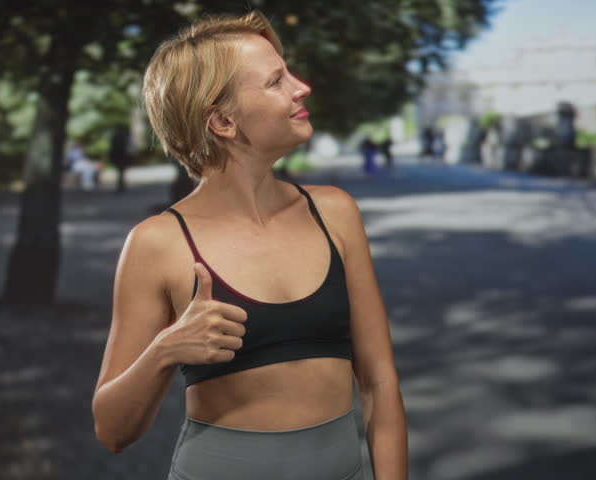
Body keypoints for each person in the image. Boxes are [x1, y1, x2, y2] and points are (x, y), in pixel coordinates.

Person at [91, 11, 408, 480]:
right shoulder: (157, 243)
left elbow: (380, 384)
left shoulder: (335, 213)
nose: (302, 88)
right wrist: (166, 350)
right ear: (222, 120)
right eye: (276, 81)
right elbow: (112, 430)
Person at [109, 124, 133, 193]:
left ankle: (121, 185)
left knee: (120, 172)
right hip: (121, 156)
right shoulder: (123, 137)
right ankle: (121, 185)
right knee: (121, 172)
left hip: (118, 156)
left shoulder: (116, 137)